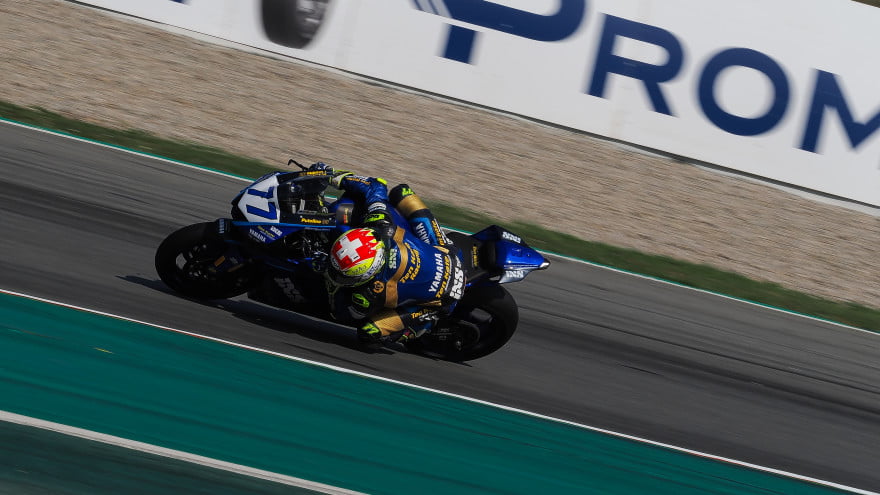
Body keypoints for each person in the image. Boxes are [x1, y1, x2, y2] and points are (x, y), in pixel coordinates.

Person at [321, 167, 465, 347]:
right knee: (402, 192)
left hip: (446, 296)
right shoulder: (380, 226)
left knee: (370, 332)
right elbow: (377, 185)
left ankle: (414, 330)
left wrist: (330, 284)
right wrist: (333, 176)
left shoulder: (373, 292)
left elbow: (340, 313)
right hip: (446, 252)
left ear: (370, 274)